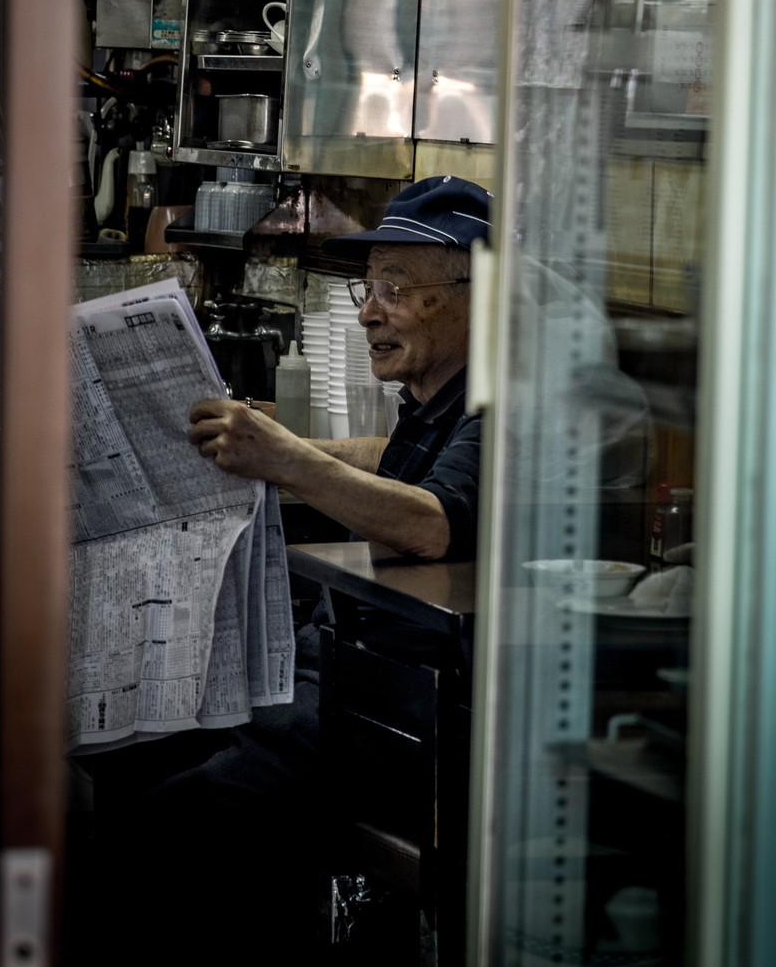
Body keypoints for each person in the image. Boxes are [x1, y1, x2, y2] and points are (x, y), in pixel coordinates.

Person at [88, 175, 491, 964]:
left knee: (179, 822)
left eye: (397, 290)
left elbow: (431, 522)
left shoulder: (497, 404)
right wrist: (284, 453)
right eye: (368, 289)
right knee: (125, 752)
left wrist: (285, 460)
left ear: (479, 295)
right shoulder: (434, 401)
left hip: (390, 712)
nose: (371, 311)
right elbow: (393, 463)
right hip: (333, 675)